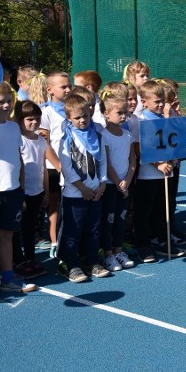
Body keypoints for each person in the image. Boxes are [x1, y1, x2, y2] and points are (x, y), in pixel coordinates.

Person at [0, 83, 38, 302]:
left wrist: (21, 188)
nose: (7, 105)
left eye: (10, 101)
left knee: (7, 235)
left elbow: (18, 159)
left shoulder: (14, 127)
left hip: (11, 190)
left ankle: (9, 277)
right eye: (1, 102)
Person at [59, 93, 109, 282]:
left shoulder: (97, 136)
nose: (82, 120)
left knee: (94, 229)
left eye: (85, 116)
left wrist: (102, 184)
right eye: (77, 117)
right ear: (69, 118)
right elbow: (67, 167)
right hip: (75, 194)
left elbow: (102, 160)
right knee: (74, 231)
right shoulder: (67, 139)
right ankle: (72, 264)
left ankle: (92, 261)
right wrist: (82, 188)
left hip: (96, 192)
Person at [133, 79, 183, 263]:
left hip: (165, 173)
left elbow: (173, 143)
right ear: (144, 102)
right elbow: (142, 149)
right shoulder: (142, 121)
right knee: (145, 211)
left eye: (162, 100)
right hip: (148, 175)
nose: (161, 104)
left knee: (163, 209)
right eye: (157, 101)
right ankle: (143, 245)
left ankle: (162, 239)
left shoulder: (164, 119)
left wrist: (169, 161)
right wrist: (158, 164)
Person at [98, 89, 136, 272]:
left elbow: (132, 161)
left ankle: (119, 250)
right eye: (119, 113)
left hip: (124, 186)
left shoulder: (128, 135)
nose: (123, 116)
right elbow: (106, 162)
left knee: (121, 219)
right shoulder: (104, 136)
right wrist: (118, 182)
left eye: (125, 112)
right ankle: (108, 254)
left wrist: (127, 181)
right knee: (109, 219)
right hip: (112, 186)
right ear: (106, 114)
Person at [13, 100, 48, 279]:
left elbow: (43, 166)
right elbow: (19, 168)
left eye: (37, 119)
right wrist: (21, 194)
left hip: (37, 191)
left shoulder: (41, 140)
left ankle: (30, 258)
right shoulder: (19, 140)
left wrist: (46, 192)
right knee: (15, 229)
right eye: (29, 119)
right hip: (22, 193)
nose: (34, 122)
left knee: (30, 228)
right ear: (20, 120)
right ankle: (17, 260)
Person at [40, 71, 72, 254]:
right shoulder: (46, 112)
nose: (68, 89)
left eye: (69, 86)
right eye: (63, 87)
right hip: (54, 167)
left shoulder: (75, 109)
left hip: (72, 166)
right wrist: (59, 165)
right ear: (50, 90)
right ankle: (54, 241)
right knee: (55, 205)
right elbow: (45, 143)